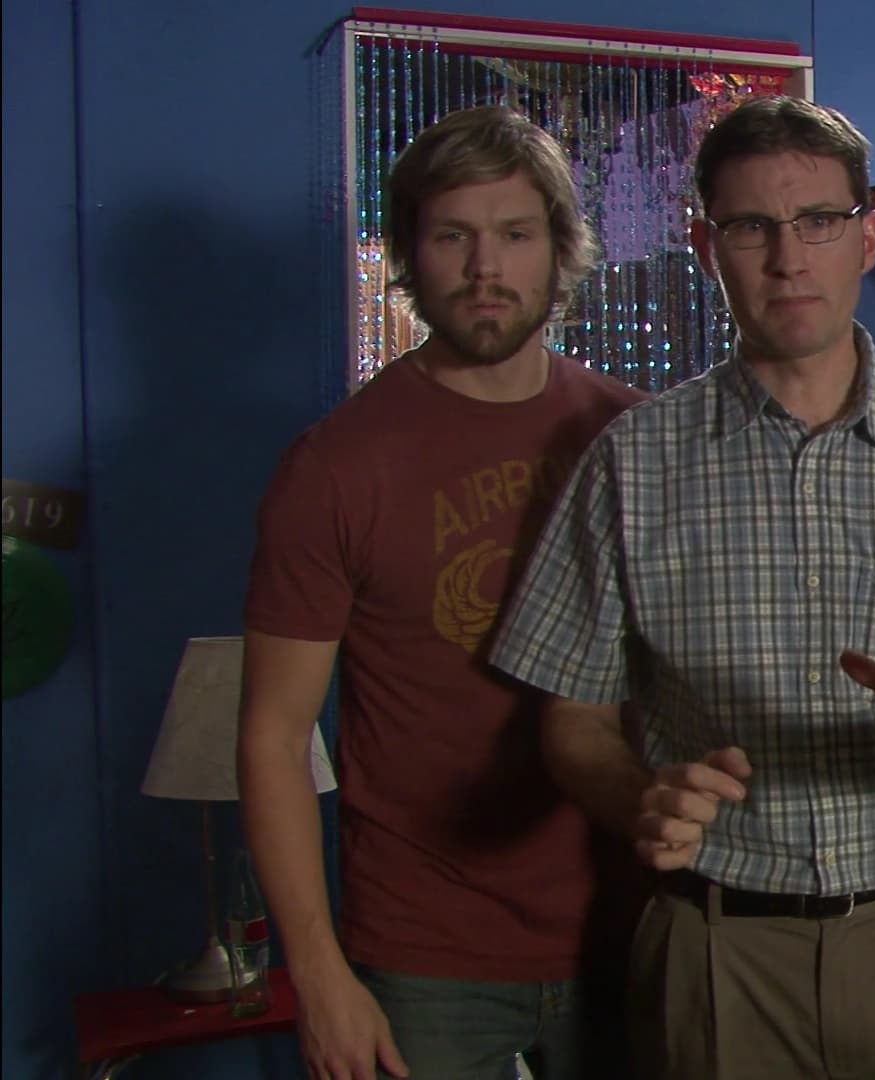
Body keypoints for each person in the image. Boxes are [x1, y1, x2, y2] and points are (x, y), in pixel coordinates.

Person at [486, 94, 875, 1080]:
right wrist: (640, 798)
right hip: (720, 952)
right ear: (706, 246)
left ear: (868, 239)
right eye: (752, 227)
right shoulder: (633, 461)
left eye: (818, 221)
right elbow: (572, 720)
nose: (789, 258)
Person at [238, 105, 647, 1080]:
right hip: (423, 953)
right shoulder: (337, 467)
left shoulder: (632, 436)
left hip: (629, 918)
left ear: (561, 249)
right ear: (409, 255)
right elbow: (273, 737)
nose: (485, 268)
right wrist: (318, 975)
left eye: (515, 234)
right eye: (453, 236)